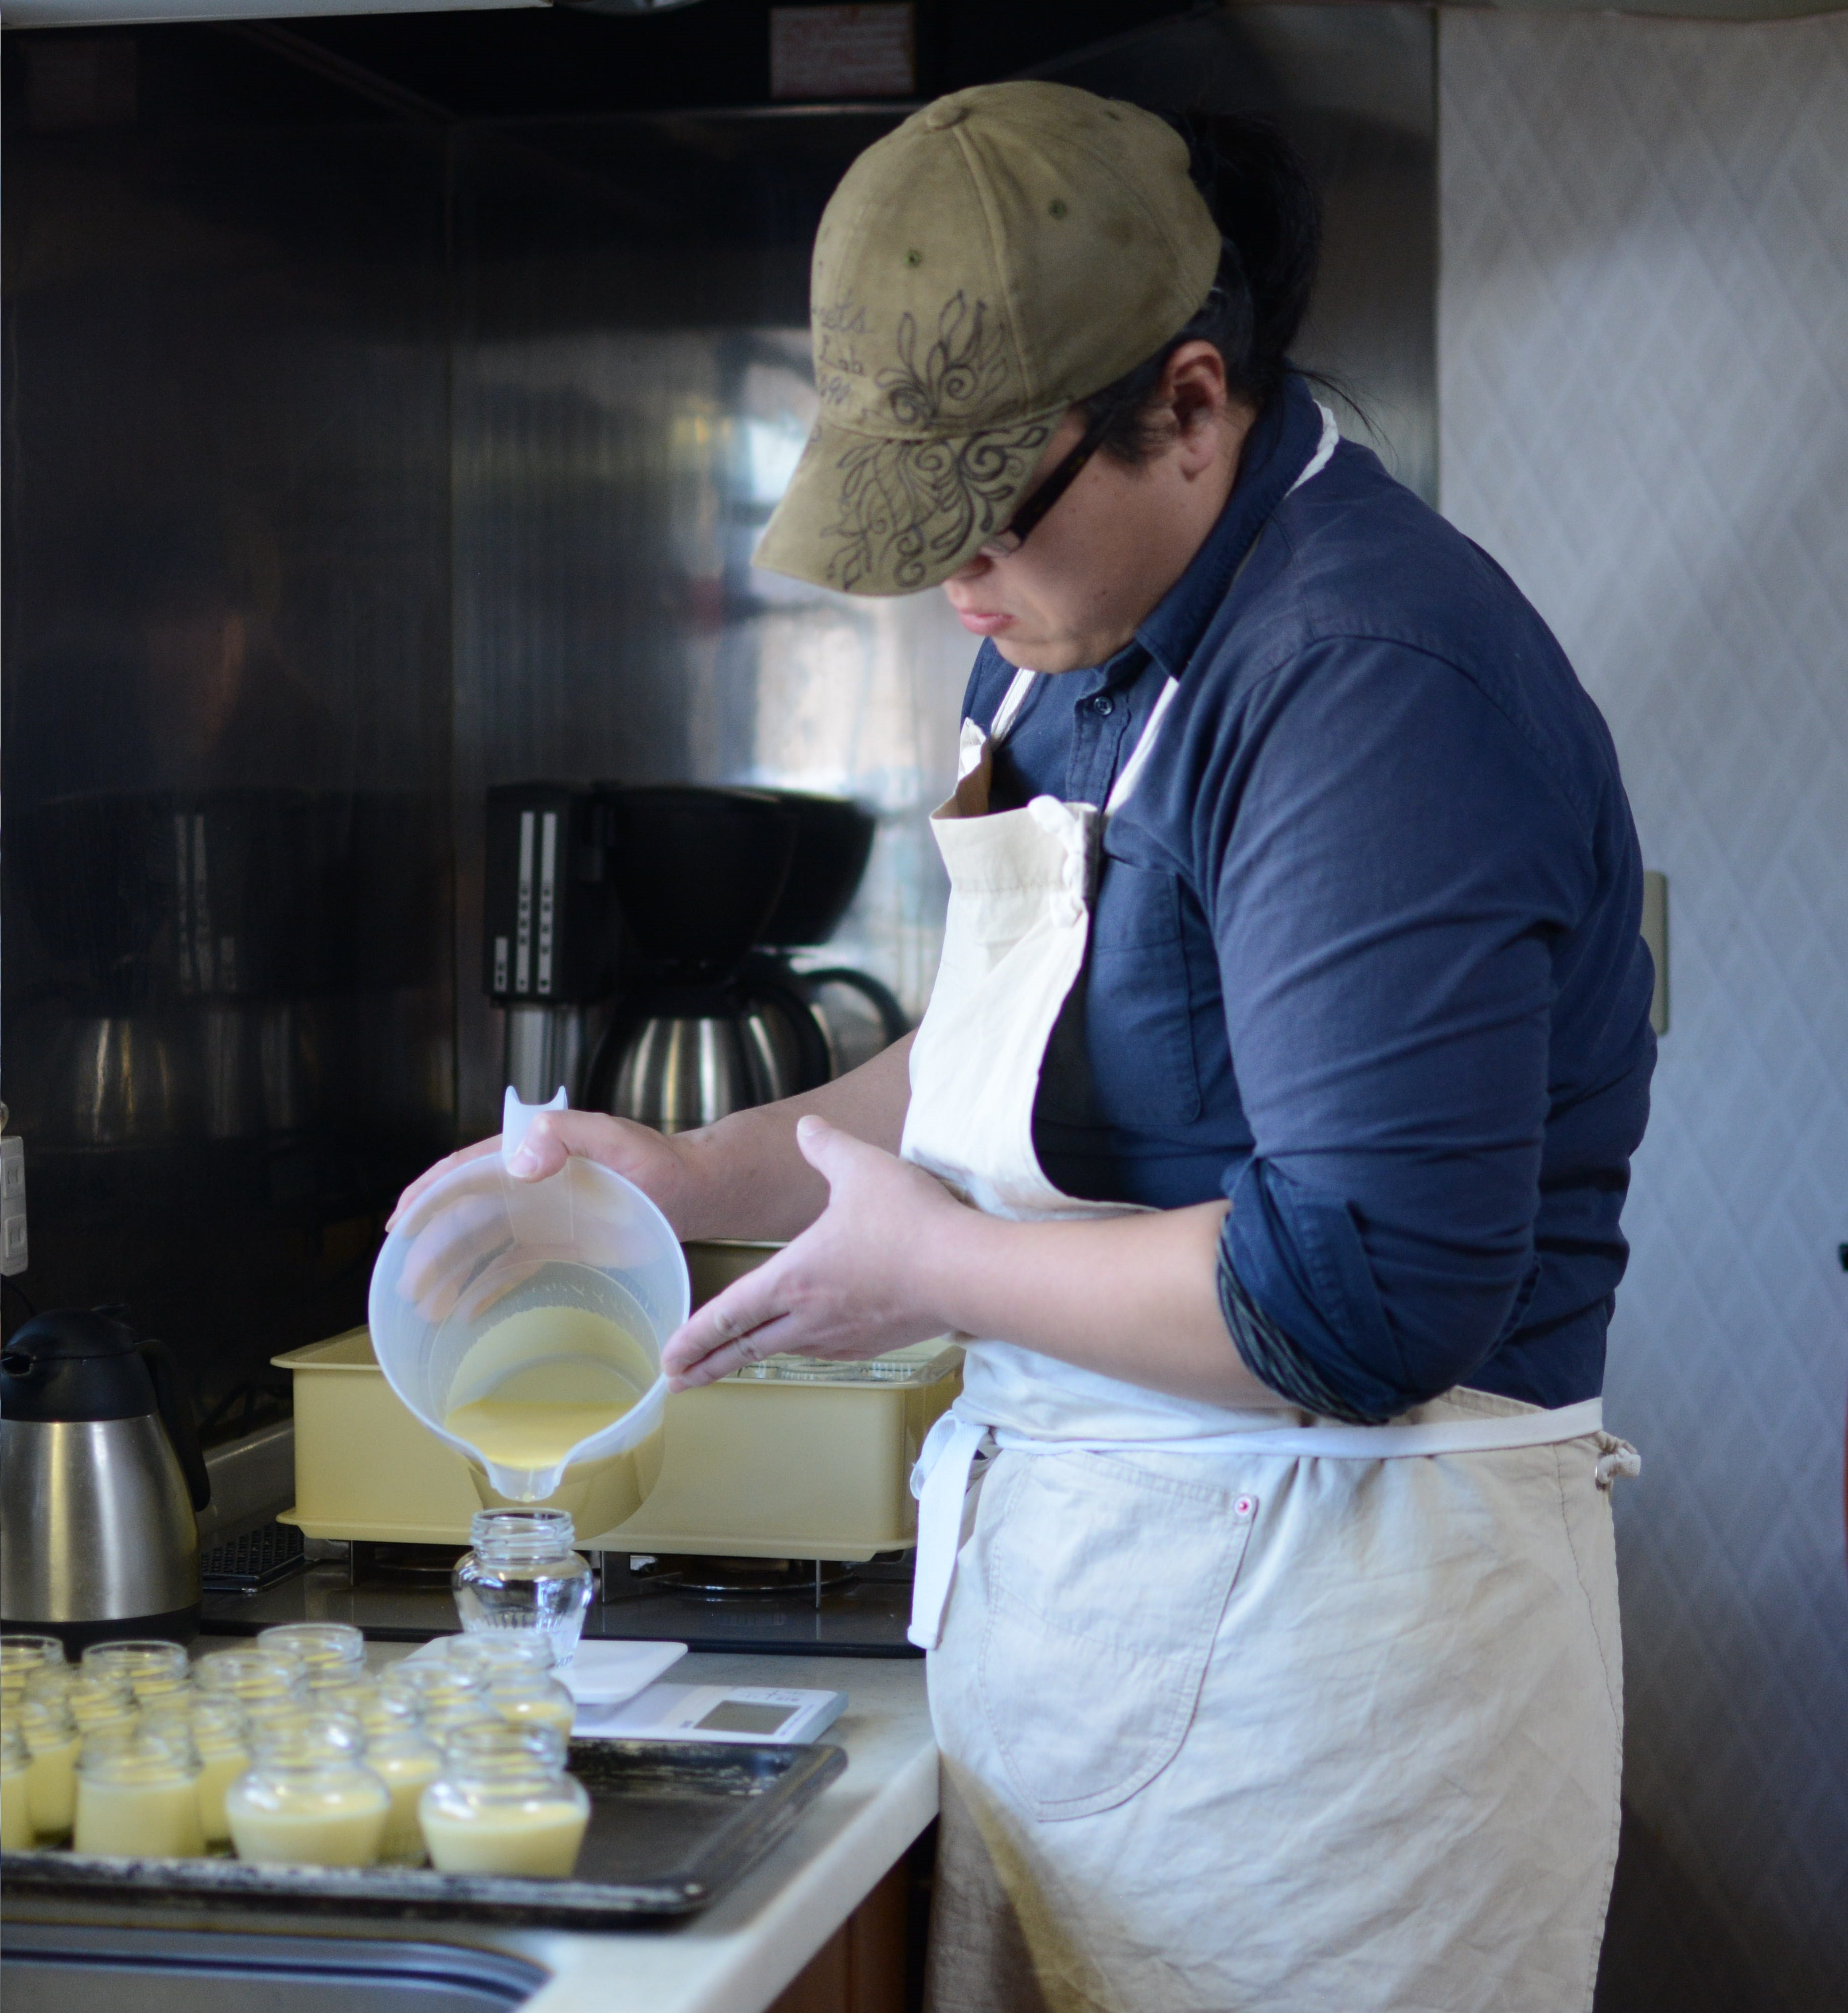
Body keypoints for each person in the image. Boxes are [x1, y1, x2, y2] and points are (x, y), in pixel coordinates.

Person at [394, 82, 1654, 2013]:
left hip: (1337, 1702)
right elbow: (1005, 1060)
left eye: (988, 515)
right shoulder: (1072, 629)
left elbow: (1375, 1294)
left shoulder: (1364, 693)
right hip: (1104, 1652)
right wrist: (696, 1175)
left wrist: (934, 1273)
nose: (953, 582)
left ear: (1195, 404)